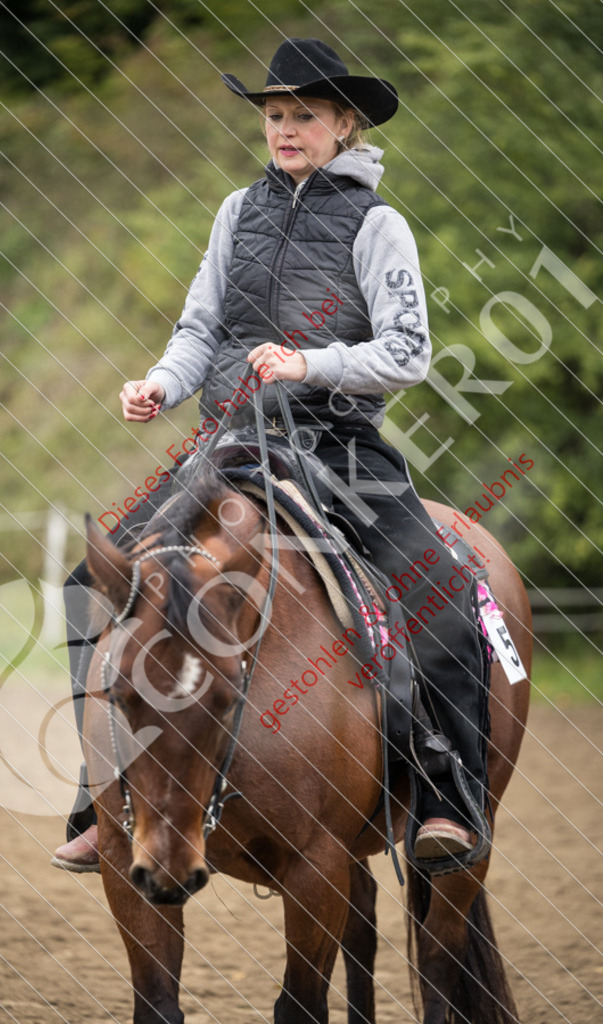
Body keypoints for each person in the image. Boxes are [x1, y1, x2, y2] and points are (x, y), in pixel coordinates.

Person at [52, 38, 488, 872]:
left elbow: (408, 352)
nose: (286, 129)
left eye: (305, 116)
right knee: (87, 585)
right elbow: (200, 329)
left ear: (344, 125)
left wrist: (308, 362)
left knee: (437, 585)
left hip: (340, 445)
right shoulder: (234, 211)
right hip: (227, 446)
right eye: (275, 115)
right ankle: (97, 791)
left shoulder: (378, 224)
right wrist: (160, 384)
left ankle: (443, 793)